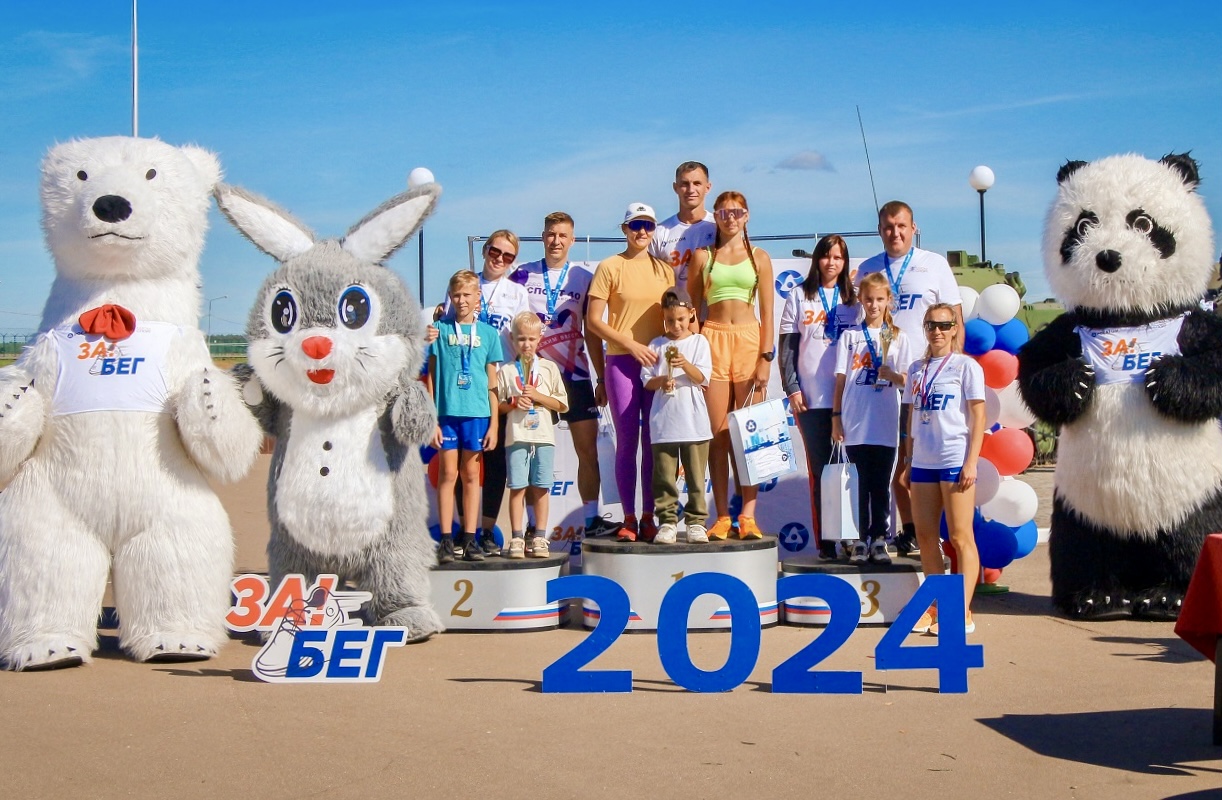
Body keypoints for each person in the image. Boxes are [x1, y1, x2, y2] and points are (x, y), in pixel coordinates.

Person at [856, 200, 964, 557]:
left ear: (913, 228)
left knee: (925, 459)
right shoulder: (868, 268)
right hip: (882, 385)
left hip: (926, 379)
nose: (895, 233)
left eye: (901, 226)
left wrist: (954, 369)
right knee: (895, 465)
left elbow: (955, 318)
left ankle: (937, 530)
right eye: (888, 226)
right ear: (879, 230)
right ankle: (912, 530)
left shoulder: (934, 264)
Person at [511, 212, 620, 538]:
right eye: (551, 234)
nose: (556, 241)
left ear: (572, 240)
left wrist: (601, 378)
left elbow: (592, 330)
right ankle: (533, 526)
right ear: (542, 236)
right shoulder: (522, 274)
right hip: (535, 379)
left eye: (562, 235)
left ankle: (592, 519)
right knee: (531, 453)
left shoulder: (582, 277)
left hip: (576, 376)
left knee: (587, 451)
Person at [586, 202, 677, 542]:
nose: (642, 231)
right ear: (624, 229)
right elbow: (593, 321)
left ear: (654, 231)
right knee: (627, 441)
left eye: (648, 225)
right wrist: (630, 344)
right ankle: (628, 518)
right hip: (622, 362)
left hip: (656, 362)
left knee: (654, 442)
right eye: (635, 225)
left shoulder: (665, 270)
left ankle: (650, 515)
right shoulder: (610, 266)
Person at [687, 191, 774, 540]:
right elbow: (692, 311)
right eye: (723, 212)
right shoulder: (702, 256)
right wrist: (694, 350)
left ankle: (748, 515)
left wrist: (766, 358)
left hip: (750, 341)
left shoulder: (759, 257)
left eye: (737, 212)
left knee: (749, 435)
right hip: (713, 340)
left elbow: (769, 313)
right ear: (716, 216)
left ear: (747, 216)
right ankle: (722, 515)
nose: (730, 218)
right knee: (719, 435)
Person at [438, 231, 531, 556]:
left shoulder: (517, 292)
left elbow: (524, 334)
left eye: (508, 256)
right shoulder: (464, 284)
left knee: (494, 460)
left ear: (513, 261)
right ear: (485, 250)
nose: (499, 259)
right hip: (464, 383)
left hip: (498, 378)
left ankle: (487, 531)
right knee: (460, 468)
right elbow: (446, 329)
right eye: (495, 251)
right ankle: (465, 533)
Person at [900, 303, 986, 635]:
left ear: (954, 329)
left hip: (954, 459)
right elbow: (911, 418)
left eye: (943, 325)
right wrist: (908, 461)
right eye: (930, 325)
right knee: (925, 535)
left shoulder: (966, 367)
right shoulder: (916, 369)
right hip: (923, 461)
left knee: (960, 536)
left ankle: (961, 610)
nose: (936, 331)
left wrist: (971, 461)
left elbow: (978, 416)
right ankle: (936, 605)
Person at [779, 234, 862, 559]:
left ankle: (851, 537)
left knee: (850, 470)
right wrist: (792, 387)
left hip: (851, 399)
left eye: (838, 257)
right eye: (827, 256)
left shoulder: (854, 299)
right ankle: (826, 543)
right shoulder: (800, 295)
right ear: (817, 259)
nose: (832, 263)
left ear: (845, 262)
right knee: (821, 471)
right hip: (811, 399)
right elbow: (788, 348)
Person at [833, 272, 912, 563]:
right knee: (858, 485)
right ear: (861, 300)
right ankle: (858, 540)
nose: (874, 305)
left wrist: (893, 375)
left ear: (889, 300)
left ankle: (879, 538)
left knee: (880, 485)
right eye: (868, 299)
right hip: (855, 421)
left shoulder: (898, 337)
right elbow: (840, 379)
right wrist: (836, 417)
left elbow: (908, 382)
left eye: (880, 299)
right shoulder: (850, 336)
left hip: (884, 423)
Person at [428, 270, 503, 563]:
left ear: (477, 297)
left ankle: (471, 539)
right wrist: (431, 418)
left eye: (467, 295)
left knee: (472, 475)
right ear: (450, 297)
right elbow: (431, 376)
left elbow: (493, 383)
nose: (461, 300)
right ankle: (447, 540)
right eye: (456, 295)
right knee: (448, 474)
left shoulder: (489, 334)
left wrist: (494, 424)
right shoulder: (439, 330)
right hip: (447, 413)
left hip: (477, 413)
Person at [642, 287, 713, 544]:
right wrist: (662, 380)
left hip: (694, 421)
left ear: (692, 314)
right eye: (670, 320)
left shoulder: (699, 342)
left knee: (696, 477)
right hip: (664, 422)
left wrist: (684, 364)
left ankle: (696, 522)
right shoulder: (656, 344)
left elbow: (703, 378)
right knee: (664, 477)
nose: (676, 325)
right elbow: (647, 380)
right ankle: (667, 522)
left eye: (681, 319)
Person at [497, 312, 569, 559]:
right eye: (521, 339)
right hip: (516, 436)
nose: (526, 344)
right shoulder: (506, 370)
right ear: (512, 339)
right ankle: (517, 537)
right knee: (517, 487)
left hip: (544, 436)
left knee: (541, 487)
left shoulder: (549, 368)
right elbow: (498, 406)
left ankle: (539, 536)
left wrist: (538, 397)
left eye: (531, 339)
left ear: (540, 338)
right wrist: (514, 402)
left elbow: (561, 404)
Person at [650, 161, 716, 286]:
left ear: (708, 187)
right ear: (675, 188)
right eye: (685, 184)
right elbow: (650, 278)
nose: (691, 190)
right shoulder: (660, 232)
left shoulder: (719, 228)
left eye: (697, 183)